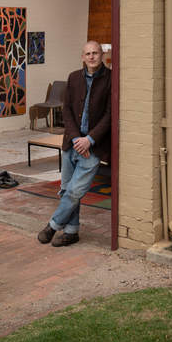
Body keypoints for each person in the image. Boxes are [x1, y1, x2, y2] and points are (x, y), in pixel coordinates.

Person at [37, 40, 111, 247]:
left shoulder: (111, 79)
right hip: (72, 143)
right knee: (66, 188)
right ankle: (71, 231)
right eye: (88, 53)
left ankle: (52, 226)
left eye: (95, 53)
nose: (92, 57)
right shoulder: (73, 78)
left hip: (94, 147)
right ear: (82, 57)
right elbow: (66, 110)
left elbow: (109, 115)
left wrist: (89, 139)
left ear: (101, 55)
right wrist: (76, 137)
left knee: (74, 191)